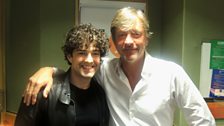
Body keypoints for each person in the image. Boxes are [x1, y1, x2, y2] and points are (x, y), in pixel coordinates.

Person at [23, 7, 216, 126]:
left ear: (146, 39)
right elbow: (78, 69)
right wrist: (48, 70)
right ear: (113, 41)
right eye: (122, 35)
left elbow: (203, 121)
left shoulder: (172, 74)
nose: (128, 41)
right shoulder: (104, 70)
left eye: (136, 34)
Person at [15, 24, 110, 126]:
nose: (89, 60)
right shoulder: (43, 92)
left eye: (95, 53)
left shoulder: (100, 93)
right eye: (82, 53)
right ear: (70, 57)